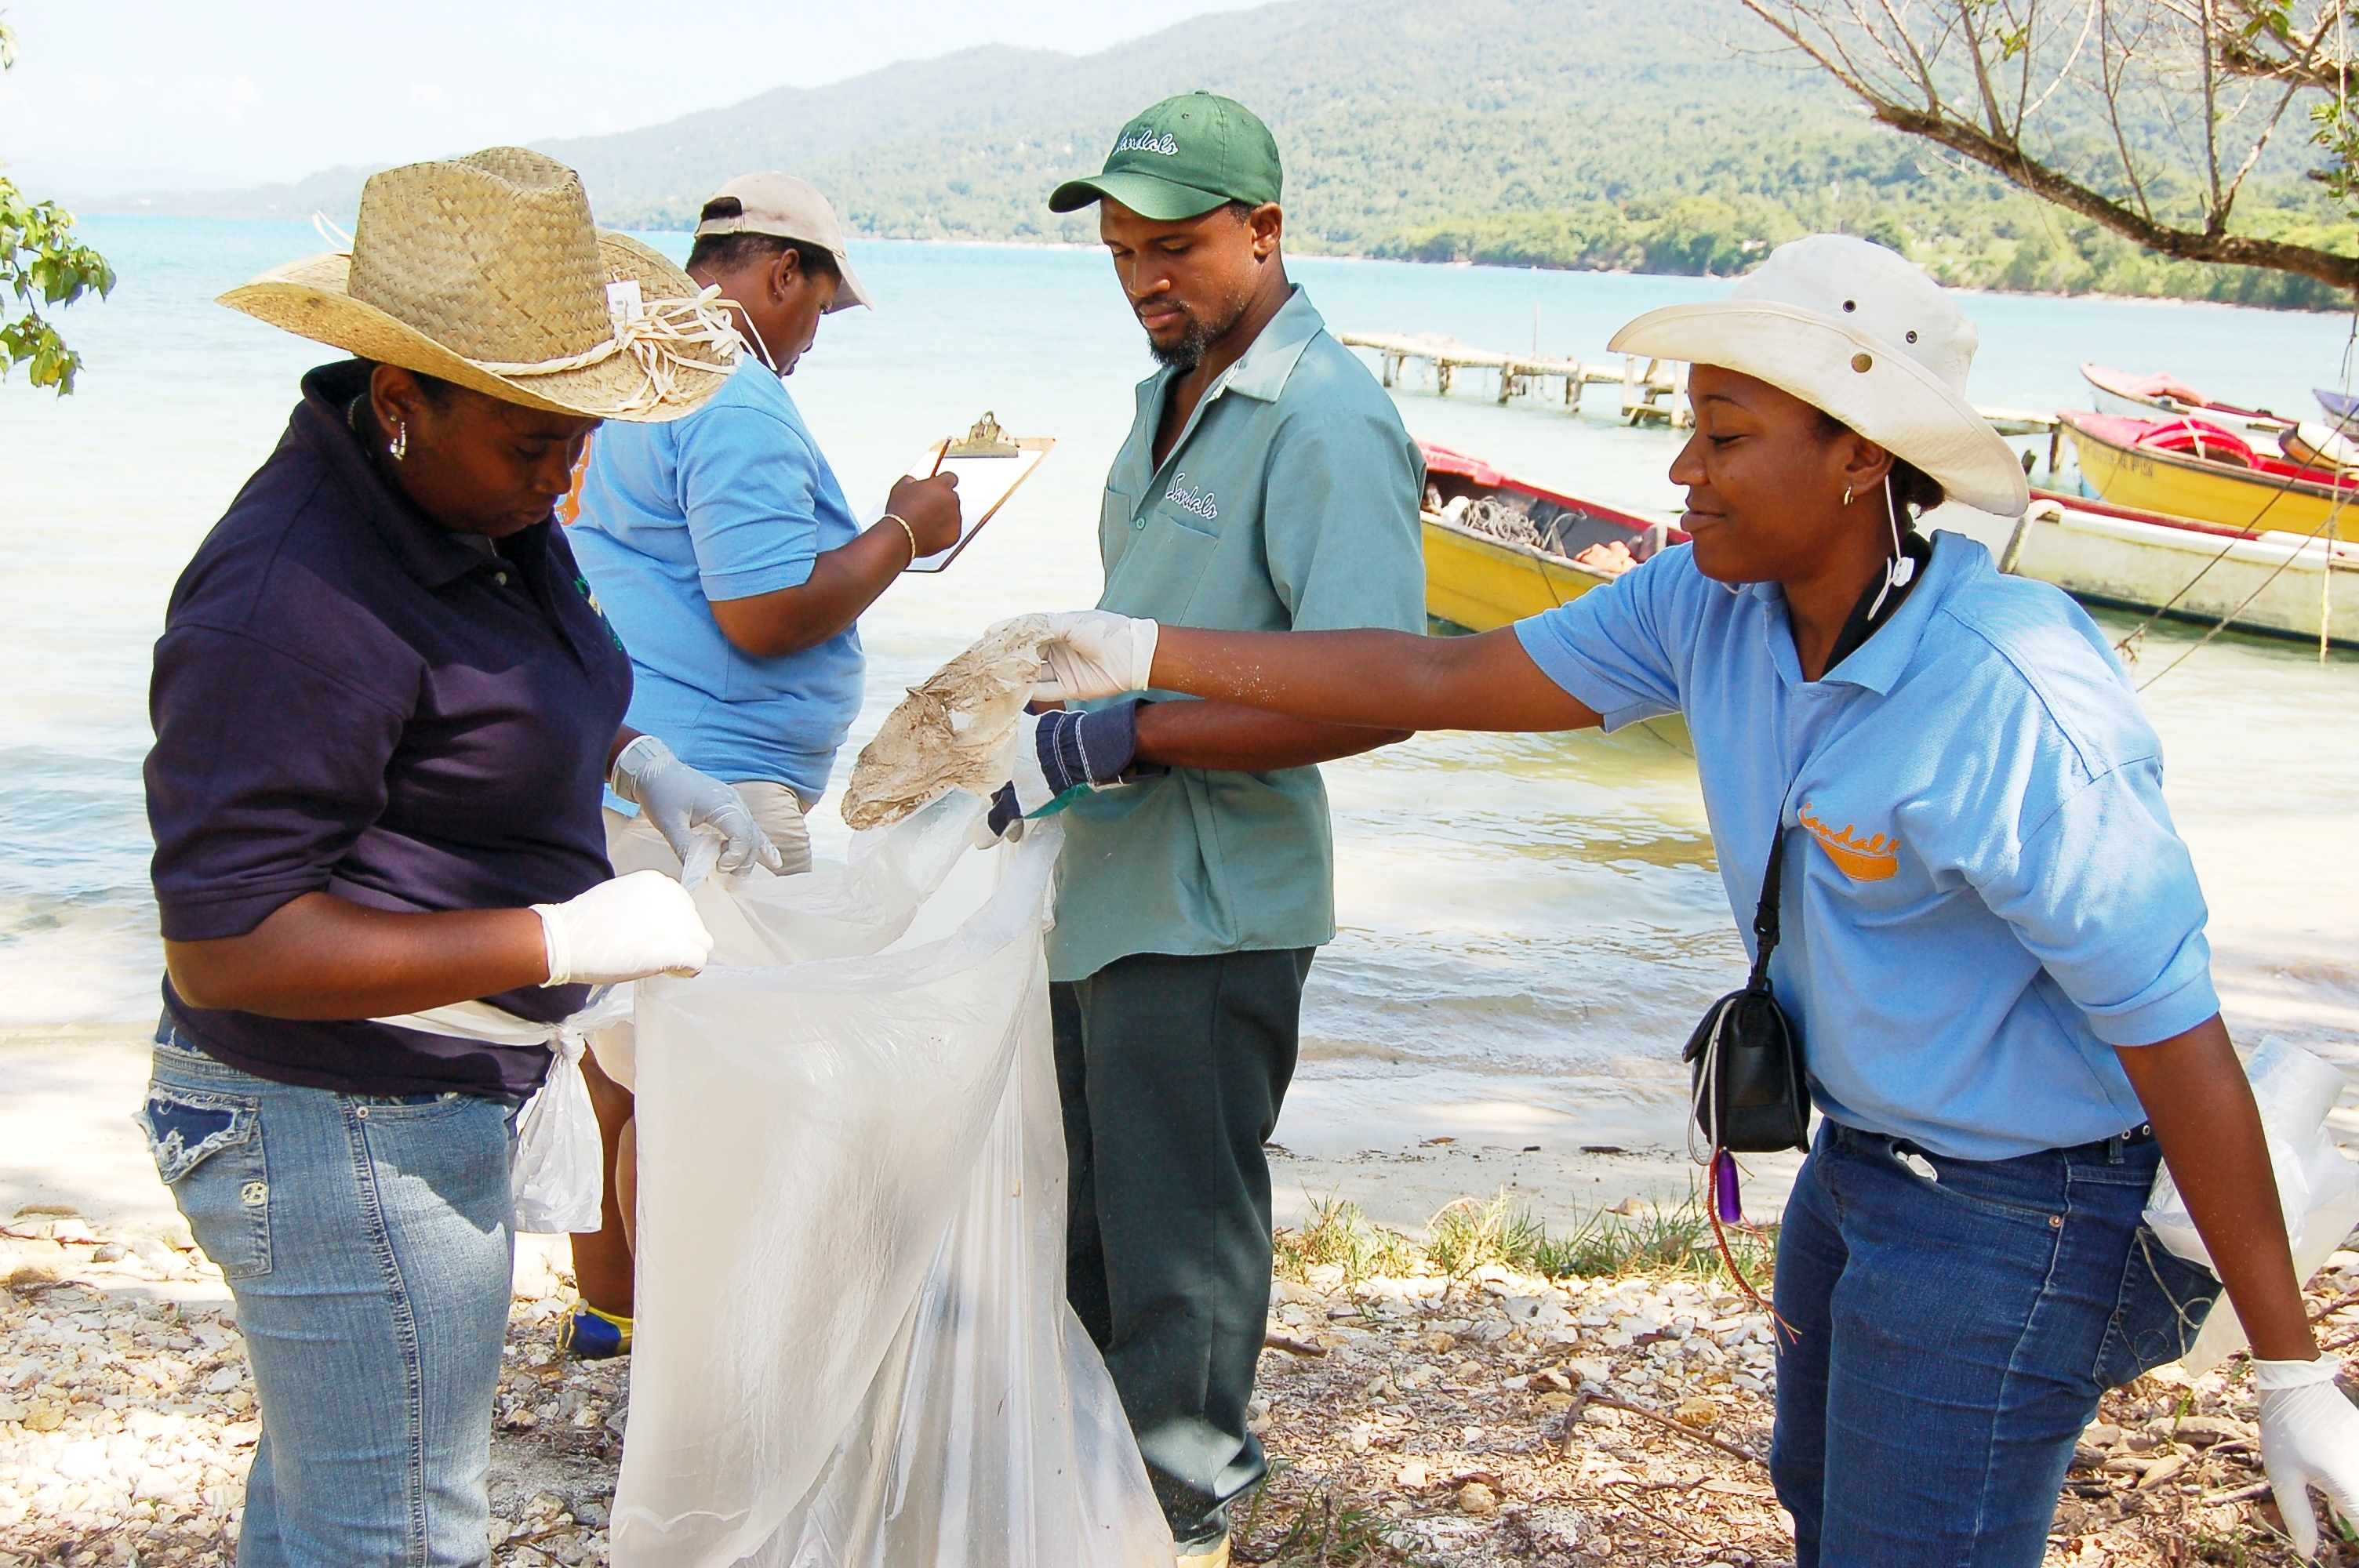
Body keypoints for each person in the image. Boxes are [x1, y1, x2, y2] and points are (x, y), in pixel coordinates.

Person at [1009, 235, 2359, 1565]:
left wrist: (2291, 1376)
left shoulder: (2013, 702)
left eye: (1722, 435)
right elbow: (1431, 680)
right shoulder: (1711, 609)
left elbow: (2174, 1032)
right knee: (1821, 1496)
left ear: (1859, 454)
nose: (1679, 472)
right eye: (1685, 429)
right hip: (1860, 1167)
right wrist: (1138, 661)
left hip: (2026, 1206)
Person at [141, 147, 776, 1566]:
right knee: (396, 1533)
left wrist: (639, 764)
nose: (565, 478)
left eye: (580, 439)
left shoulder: (464, 503)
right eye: (532, 442)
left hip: (408, 1099)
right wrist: (560, 942)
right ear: (400, 399)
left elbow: (497, 690)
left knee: (328, 1502)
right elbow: (230, 941)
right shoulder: (288, 602)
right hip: (330, 1120)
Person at [1001, 92, 1424, 1566]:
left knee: (1181, 1265)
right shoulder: (1174, 391)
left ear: (1267, 233)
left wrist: (1139, 727)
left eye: (1173, 248)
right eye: (1119, 252)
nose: (1142, 280)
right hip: (1108, 886)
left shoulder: (1325, 418)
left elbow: (1379, 688)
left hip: (1213, 906)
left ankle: (1186, 1523)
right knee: (1083, 1233)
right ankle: (1094, 1512)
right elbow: (1158, 640)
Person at [558, 173, 963, 1359]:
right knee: (705, 1077)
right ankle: (699, 1360)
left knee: (623, 1058)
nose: (811, 340)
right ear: (783, 271)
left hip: (626, 760)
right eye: (820, 310)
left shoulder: (639, 372)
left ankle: (610, 1312)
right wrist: (905, 529)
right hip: (714, 792)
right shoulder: (733, 392)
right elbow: (765, 612)